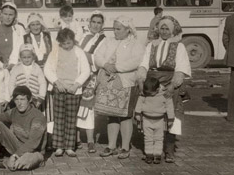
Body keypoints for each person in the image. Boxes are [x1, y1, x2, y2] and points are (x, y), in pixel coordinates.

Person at [137, 15, 191, 163]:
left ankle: (169, 150)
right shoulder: (151, 45)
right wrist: (142, 81)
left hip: (170, 83)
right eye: (162, 28)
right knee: (151, 116)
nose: (165, 31)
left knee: (171, 115)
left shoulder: (179, 46)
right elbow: (143, 64)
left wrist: (173, 86)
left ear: (173, 30)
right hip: (152, 85)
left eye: (167, 28)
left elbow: (181, 68)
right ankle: (150, 150)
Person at [94, 16, 145, 160]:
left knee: (125, 116)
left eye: (118, 29)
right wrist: (105, 65)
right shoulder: (108, 41)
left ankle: (124, 146)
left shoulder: (136, 44)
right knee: (112, 115)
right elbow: (97, 56)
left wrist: (116, 67)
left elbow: (136, 61)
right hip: (108, 82)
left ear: (128, 30)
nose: (115, 32)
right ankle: (111, 145)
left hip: (126, 82)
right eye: (114, 28)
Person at [44, 28, 90, 157]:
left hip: (73, 90)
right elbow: (48, 69)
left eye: (69, 43)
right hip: (59, 89)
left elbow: (86, 71)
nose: (66, 46)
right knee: (58, 118)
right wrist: (56, 82)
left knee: (71, 119)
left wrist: (76, 85)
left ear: (73, 41)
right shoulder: (55, 52)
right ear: (60, 42)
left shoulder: (79, 52)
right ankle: (59, 146)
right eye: (63, 43)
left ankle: (69, 146)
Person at [75, 11, 106, 153]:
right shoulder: (84, 36)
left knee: (88, 107)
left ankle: (90, 140)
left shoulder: (104, 40)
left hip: (91, 75)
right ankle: (76, 138)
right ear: (89, 23)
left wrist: (81, 54)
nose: (95, 25)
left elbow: (97, 59)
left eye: (99, 23)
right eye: (93, 22)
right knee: (75, 104)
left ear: (102, 25)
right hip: (77, 74)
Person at [134, 77, 175, 164]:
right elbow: (139, 103)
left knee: (159, 138)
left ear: (157, 89)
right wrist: (137, 113)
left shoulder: (165, 95)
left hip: (159, 120)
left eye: (151, 93)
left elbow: (169, 107)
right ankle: (149, 154)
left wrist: (171, 119)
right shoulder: (144, 94)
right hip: (146, 119)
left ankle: (157, 155)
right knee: (147, 137)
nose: (149, 95)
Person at [9, 44, 47, 109]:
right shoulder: (16, 68)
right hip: (19, 98)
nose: (26, 59)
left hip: (33, 98)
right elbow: (11, 83)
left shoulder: (37, 68)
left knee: (32, 115)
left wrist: (41, 97)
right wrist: (13, 96)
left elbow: (42, 83)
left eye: (29, 57)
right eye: (24, 57)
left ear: (33, 57)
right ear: (20, 58)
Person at [0, 2, 25, 70]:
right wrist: (0, 64)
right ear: (1, 14)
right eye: (5, 14)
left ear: (15, 16)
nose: (7, 17)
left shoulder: (20, 30)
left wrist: (12, 64)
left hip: (15, 67)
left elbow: (21, 49)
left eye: (10, 15)